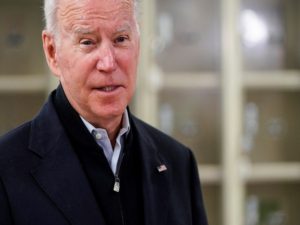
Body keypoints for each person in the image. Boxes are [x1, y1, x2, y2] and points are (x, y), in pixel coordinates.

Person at [0, 0, 208, 224]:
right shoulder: (6, 170)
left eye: (120, 39)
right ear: (52, 52)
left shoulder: (178, 162)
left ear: (138, 42)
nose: (108, 63)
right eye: (87, 42)